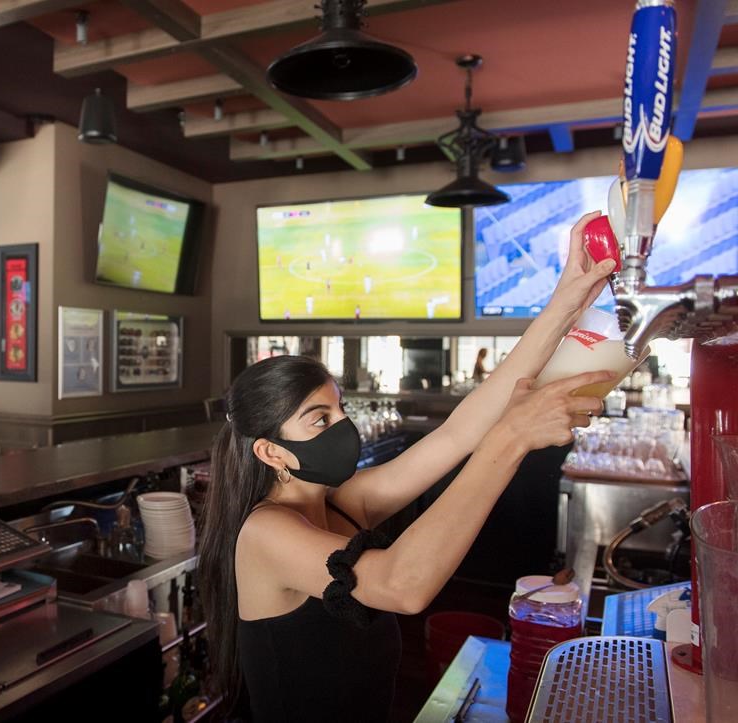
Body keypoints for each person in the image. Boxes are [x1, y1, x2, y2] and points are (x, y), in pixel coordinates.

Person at [197, 212, 617, 722]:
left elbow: (460, 432)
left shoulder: (346, 503)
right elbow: (402, 584)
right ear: (270, 451)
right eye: (319, 419)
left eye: (341, 411)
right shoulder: (265, 533)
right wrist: (512, 437)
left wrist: (567, 299)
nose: (342, 428)